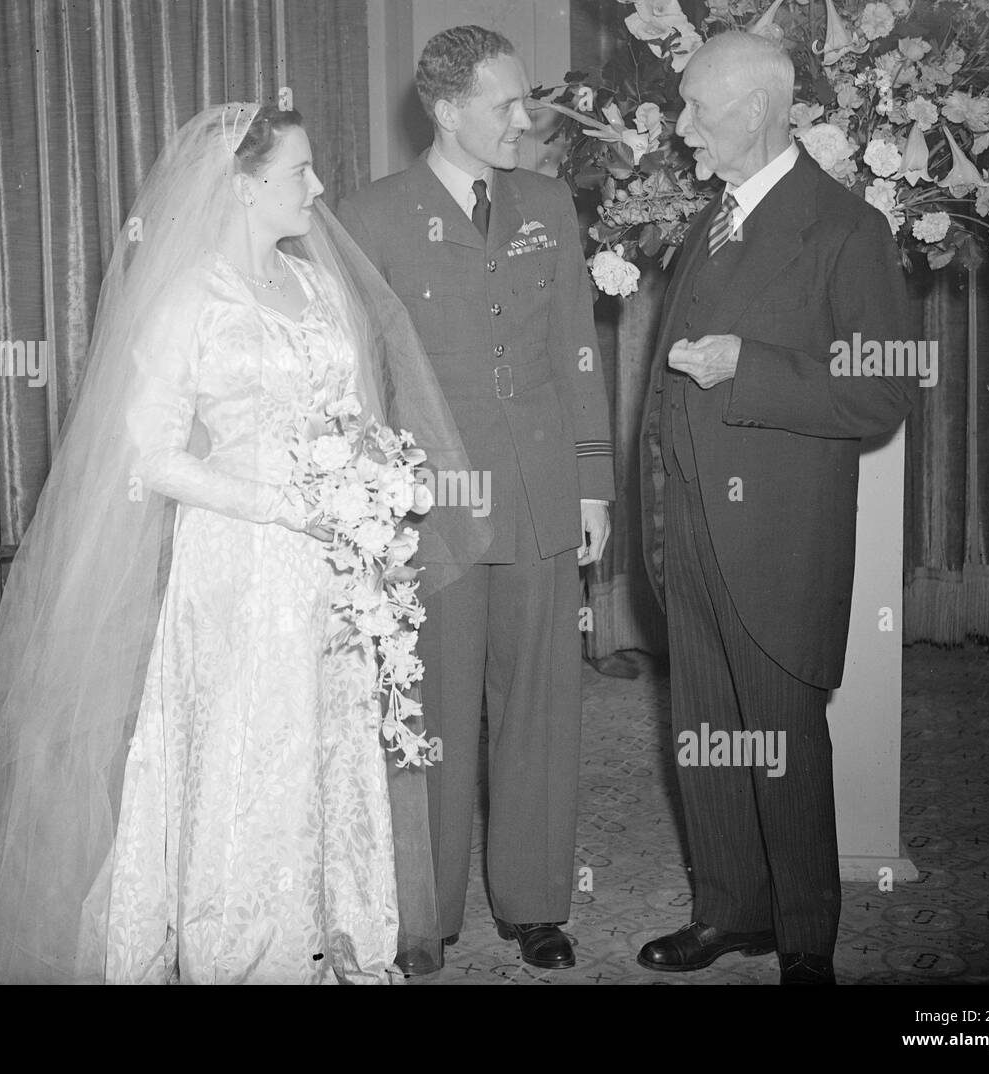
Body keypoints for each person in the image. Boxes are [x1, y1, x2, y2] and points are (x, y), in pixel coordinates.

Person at [0, 103, 485, 984]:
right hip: (235, 561)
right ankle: (242, 955)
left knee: (327, 743)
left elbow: (352, 414)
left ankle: (336, 939)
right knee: (245, 751)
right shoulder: (189, 299)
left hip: (329, 569)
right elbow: (150, 454)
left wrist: (370, 494)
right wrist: (276, 501)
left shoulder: (318, 287)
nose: (319, 187)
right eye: (300, 172)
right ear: (242, 185)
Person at [636, 32, 914, 985]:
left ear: (756, 110)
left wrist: (748, 370)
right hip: (691, 531)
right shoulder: (708, 221)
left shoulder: (845, 229)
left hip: (778, 543)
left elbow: (883, 391)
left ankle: (804, 939)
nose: (681, 130)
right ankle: (729, 913)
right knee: (705, 729)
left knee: (784, 742)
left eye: (695, 111)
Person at [338, 25, 615, 972]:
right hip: (435, 511)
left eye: (523, 98)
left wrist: (592, 484)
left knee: (541, 704)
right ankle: (428, 911)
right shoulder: (370, 217)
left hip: (542, 498)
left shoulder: (548, 202)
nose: (523, 118)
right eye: (503, 103)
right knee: (436, 714)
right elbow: (360, 379)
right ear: (446, 110)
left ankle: (537, 905)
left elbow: (578, 347)